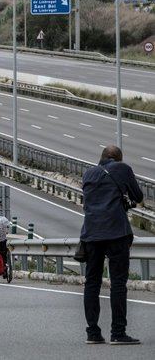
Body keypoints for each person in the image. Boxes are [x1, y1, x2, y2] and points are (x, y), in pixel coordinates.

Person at [79, 145, 143, 345]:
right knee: (117, 283)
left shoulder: (88, 173)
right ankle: (118, 332)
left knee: (92, 282)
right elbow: (138, 196)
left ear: (102, 157)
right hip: (116, 232)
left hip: (91, 234)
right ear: (117, 158)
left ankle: (93, 333)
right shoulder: (122, 169)